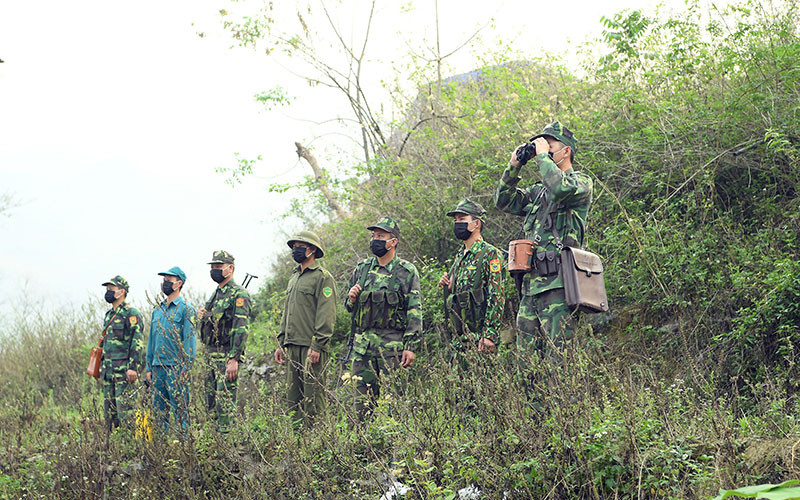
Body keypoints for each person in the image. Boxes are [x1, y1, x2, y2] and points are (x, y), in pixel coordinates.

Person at [494, 121, 593, 358]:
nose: (545, 150)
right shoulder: (537, 193)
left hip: (561, 286)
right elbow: (503, 201)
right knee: (527, 365)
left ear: (566, 150)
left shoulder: (581, 183)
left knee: (561, 362)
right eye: (543, 146)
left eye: (550, 145)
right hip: (531, 287)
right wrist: (514, 165)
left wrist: (541, 158)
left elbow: (560, 189)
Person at [345, 216, 421, 418]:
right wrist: (352, 298)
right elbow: (348, 308)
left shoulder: (406, 271)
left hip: (392, 351)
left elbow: (414, 311)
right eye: (373, 235)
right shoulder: (362, 270)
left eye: (381, 236)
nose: (375, 239)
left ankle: (393, 448)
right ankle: (364, 448)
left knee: (394, 409)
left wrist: (410, 347)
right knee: (362, 408)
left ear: (393, 241)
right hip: (363, 350)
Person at [274, 231, 337, 426]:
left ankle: (316, 447)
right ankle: (298, 448)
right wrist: (281, 343)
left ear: (312, 250)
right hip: (292, 345)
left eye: (300, 246)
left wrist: (317, 345)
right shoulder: (294, 277)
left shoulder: (323, 278)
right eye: (294, 247)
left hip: (311, 348)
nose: (296, 250)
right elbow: (287, 312)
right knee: (294, 402)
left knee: (314, 403)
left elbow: (326, 314)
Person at [439, 199, 505, 358]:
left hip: (480, 341)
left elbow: (496, 295)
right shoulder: (459, 257)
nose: (457, 223)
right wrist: (447, 285)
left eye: (462, 219)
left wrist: (489, 335)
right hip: (459, 341)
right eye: (456, 220)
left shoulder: (490, 254)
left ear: (477, 224)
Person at [198, 250, 251, 432]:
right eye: (213, 266)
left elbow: (240, 328)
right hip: (211, 356)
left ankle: (229, 448)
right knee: (211, 405)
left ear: (231, 268)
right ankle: (214, 446)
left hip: (227, 356)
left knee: (225, 407)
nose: (214, 270)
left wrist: (234, 359)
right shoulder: (215, 295)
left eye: (218, 266)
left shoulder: (239, 294)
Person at [145, 266, 196, 436]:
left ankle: (184, 450)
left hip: (176, 368)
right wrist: (149, 368)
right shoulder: (157, 311)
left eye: (169, 280)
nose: (165, 283)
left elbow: (189, 341)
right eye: (164, 280)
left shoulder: (186, 309)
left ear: (179, 283)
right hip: (157, 367)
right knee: (159, 412)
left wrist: (186, 368)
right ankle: (161, 451)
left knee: (180, 411)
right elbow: (152, 341)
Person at [99, 275, 145, 433]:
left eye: (111, 289)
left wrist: (133, 367)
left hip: (124, 373)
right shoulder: (108, 315)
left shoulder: (131, 314)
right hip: (109, 373)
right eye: (107, 289)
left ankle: (131, 449)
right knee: (109, 414)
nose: (108, 292)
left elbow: (137, 342)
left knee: (126, 412)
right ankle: (111, 449)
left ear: (121, 292)